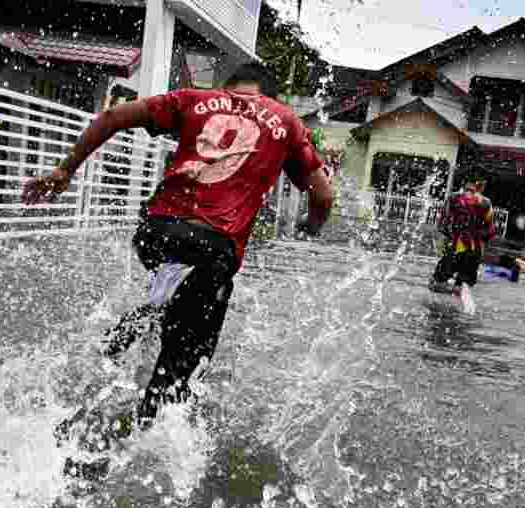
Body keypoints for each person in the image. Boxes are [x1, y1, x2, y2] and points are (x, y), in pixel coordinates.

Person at [21, 63, 334, 443]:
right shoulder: (286, 122)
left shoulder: (194, 99)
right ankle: (134, 444)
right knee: (181, 369)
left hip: (156, 232)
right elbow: (323, 194)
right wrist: (311, 227)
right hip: (213, 249)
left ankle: (113, 348)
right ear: (267, 94)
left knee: (173, 298)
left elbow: (114, 115)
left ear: (228, 87)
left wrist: (66, 170)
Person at [429, 176, 496, 297]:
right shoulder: (486, 203)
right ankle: (458, 301)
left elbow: (443, 224)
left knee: (437, 283)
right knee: (462, 287)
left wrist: (451, 237)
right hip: (474, 250)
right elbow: (490, 231)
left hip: (454, 247)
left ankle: (439, 308)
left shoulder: (453, 198)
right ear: (482, 184)